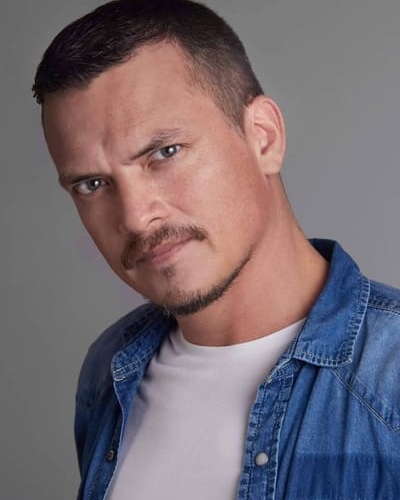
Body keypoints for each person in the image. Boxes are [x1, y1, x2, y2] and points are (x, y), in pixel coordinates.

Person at [32, 0, 400, 499]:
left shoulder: (391, 379)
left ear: (263, 138)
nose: (135, 217)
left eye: (165, 153)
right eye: (92, 184)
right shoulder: (109, 370)